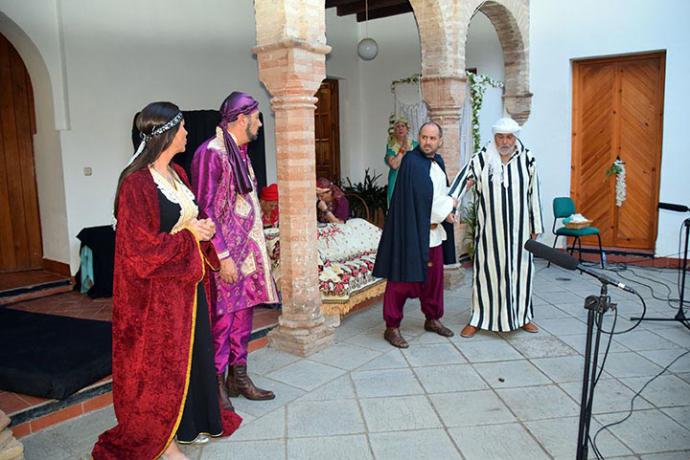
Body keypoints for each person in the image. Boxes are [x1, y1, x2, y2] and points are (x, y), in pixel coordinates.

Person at [93, 102, 241, 460]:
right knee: (161, 368)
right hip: (155, 298)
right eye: (183, 128)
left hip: (187, 289)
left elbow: (195, 215)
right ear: (167, 134)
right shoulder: (136, 184)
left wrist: (204, 233)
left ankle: (190, 423)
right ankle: (163, 441)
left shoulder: (178, 173)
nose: (188, 134)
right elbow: (139, 249)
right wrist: (193, 236)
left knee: (191, 356)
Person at [191, 92, 278, 408]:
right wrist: (223, 257)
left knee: (243, 317)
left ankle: (238, 377)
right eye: (256, 117)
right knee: (223, 321)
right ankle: (215, 386)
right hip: (225, 257)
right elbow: (206, 209)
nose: (258, 123)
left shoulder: (240, 152)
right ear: (241, 119)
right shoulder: (211, 153)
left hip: (247, 253)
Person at [448, 117, 544, 338]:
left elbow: (534, 194)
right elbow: (462, 182)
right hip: (489, 232)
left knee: (521, 273)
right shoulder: (481, 159)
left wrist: (535, 224)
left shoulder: (527, 159)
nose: (504, 141)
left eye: (509, 136)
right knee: (486, 275)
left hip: (520, 233)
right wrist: (451, 205)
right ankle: (478, 319)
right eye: (500, 136)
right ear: (494, 137)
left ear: (515, 137)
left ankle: (523, 317)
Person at [373, 122, 457, 348]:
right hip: (412, 233)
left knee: (434, 281)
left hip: (434, 234)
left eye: (432, 138)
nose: (428, 142)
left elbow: (438, 194)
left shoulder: (438, 162)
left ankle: (432, 319)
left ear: (440, 141)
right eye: (424, 137)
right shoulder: (411, 161)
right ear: (419, 138)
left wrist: (448, 212)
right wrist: (451, 203)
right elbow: (422, 198)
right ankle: (392, 327)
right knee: (402, 281)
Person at [385, 116, 418, 205]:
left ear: (407, 129)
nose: (400, 128)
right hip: (396, 181)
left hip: (412, 181)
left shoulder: (415, 145)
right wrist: (402, 149)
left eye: (403, 126)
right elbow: (394, 165)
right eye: (397, 126)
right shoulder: (391, 147)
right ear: (394, 131)